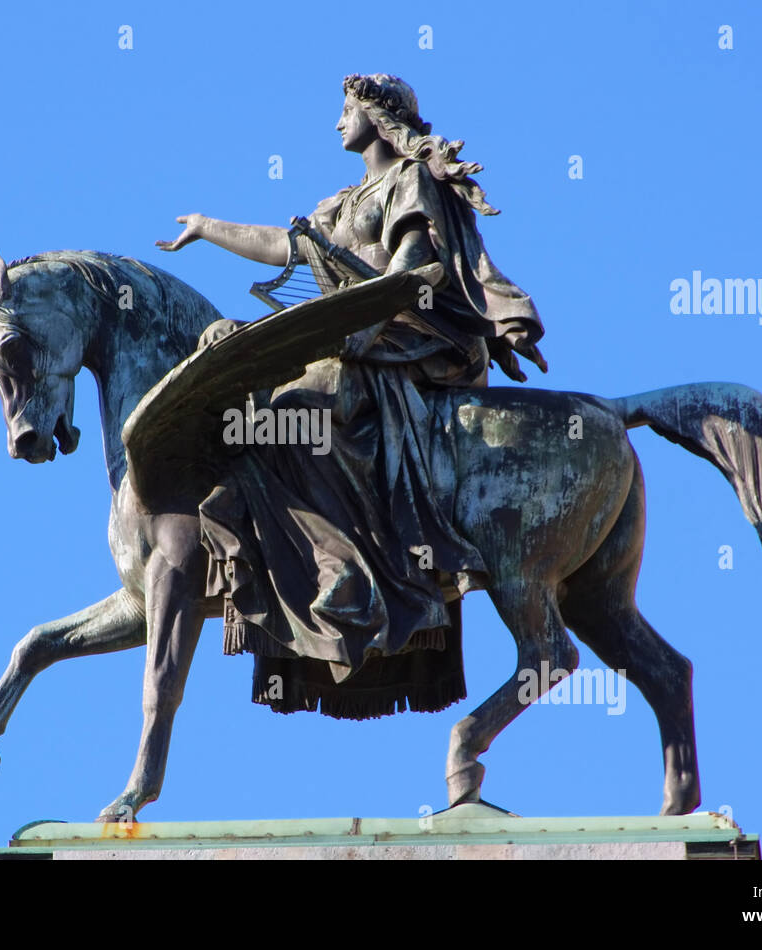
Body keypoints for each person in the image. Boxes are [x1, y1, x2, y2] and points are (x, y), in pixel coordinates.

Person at [156, 74, 548, 719]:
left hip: (396, 345)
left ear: (377, 115)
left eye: (346, 111)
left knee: (289, 415)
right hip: (349, 335)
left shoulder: (411, 181)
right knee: (242, 398)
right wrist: (207, 227)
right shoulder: (341, 201)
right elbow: (286, 245)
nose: (338, 124)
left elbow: (414, 265)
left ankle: (341, 571)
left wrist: (359, 313)